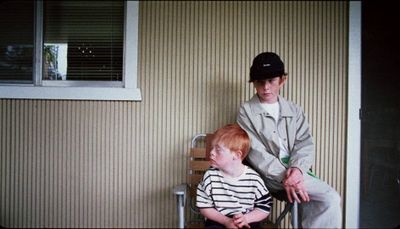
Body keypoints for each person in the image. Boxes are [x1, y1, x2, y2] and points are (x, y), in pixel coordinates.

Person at [236, 52, 342, 228]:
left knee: (328, 199)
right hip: (269, 177)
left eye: (271, 81)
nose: (266, 87)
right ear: (253, 83)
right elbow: (256, 153)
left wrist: (298, 171)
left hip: (298, 173)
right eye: (260, 82)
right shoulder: (246, 111)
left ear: (282, 80)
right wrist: (287, 177)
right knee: (329, 198)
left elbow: (305, 143)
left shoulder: (294, 110)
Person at [196, 124, 273, 229]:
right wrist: (226, 221)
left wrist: (246, 219)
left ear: (237, 155)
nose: (211, 152)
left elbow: (264, 208)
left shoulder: (254, 179)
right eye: (212, 148)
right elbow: (204, 206)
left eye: (218, 150)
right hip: (218, 220)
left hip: (247, 220)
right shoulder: (210, 177)